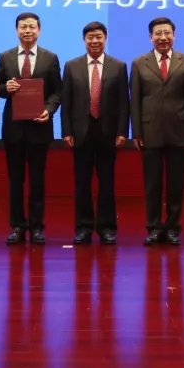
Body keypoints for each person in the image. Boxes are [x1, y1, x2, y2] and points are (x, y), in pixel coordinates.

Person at [129, 17, 184, 246]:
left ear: (174, 35)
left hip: (179, 129)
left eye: (167, 33)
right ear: (151, 37)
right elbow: (135, 100)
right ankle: (154, 227)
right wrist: (136, 132)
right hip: (150, 130)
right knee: (153, 184)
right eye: (158, 33)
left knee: (176, 184)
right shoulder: (139, 63)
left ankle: (173, 228)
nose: (163, 37)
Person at [0, 12, 62, 245]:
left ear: (39, 30)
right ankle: (17, 226)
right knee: (15, 180)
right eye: (23, 27)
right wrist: (5, 88)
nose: (27, 31)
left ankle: (36, 227)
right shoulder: (5, 57)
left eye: (32, 27)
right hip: (13, 128)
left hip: (39, 127)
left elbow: (57, 91)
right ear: (16, 30)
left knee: (37, 180)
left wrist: (49, 110)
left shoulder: (50, 58)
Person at [61, 21, 129, 245]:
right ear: (84, 40)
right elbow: (67, 102)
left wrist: (122, 130)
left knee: (107, 183)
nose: (94, 41)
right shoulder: (72, 66)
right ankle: (83, 228)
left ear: (105, 39)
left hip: (108, 133)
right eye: (90, 37)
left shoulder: (118, 66)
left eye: (99, 37)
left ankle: (107, 228)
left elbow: (124, 103)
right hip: (80, 132)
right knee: (82, 184)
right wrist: (67, 131)